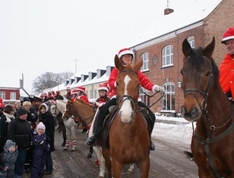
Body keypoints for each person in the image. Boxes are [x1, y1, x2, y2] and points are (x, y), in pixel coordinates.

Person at [85, 48, 165, 151]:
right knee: (102, 111)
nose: (127, 58)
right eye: (125, 56)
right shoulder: (116, 70)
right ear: (121, 58)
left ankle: (148, 139)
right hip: (118, 97)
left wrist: (154, 87)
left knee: (151, 116)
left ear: (132, 58)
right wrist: (118, 83)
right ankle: (96, 135)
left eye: (129, 56)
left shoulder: (136, 70)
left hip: (135, 99)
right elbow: (110, 82)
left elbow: (145, 82)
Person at [7, 107, 32, 178]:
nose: (26, 115)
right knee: (14, 162)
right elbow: (10, 134)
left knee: (21, 161)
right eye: (24, 114)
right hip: (15, 146)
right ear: (20, 115)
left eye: (26, 114)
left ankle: (19, 175)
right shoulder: (13, 122)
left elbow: (29, 133)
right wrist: (13, 144)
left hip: (24, 146)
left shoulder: (27, 122)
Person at [38, 103, 55, 175]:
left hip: (48, 137)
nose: (42, 110)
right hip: (43, 136)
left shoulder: (49, 116)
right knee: (45, 153)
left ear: (46, 109)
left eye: (44, 109)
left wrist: (47, 135)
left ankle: (49, 169)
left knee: (48, 154)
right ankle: (47, 167)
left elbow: (52, 127)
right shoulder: (41, 116)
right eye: (41, 109)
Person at [219, 27, 234, 101]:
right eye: (227, 44)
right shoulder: (224, 64)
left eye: (231, 42)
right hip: (225, 102)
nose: (229, 46)